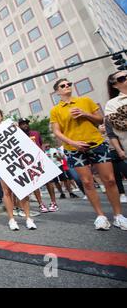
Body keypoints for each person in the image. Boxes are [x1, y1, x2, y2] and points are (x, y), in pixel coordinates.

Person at [50, 78, 127, 230]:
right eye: (62, 86)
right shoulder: (55, 110)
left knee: (110, 180)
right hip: (74, 149)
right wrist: (73, 143)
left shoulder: (85, 100)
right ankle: (100, 216)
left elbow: (100, 120)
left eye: (68, 84)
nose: (67, 87)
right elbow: (56, 131)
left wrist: (85, 114)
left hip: (97, 144)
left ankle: (118, 216)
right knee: (87, 183)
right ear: (57, 91)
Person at [0, 108, 37, 231]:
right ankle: (11, 219)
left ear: (1, 115)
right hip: (2, 164)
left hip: (16, 161)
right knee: (7, 192)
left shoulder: (9, 124)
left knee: (22, 190)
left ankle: (28, 218)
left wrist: (16, 127)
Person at [105, 71, 127, 203]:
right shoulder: (112, 104)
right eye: (122, 78)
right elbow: (118, 125)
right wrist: (119, 150)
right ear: (114, 85)